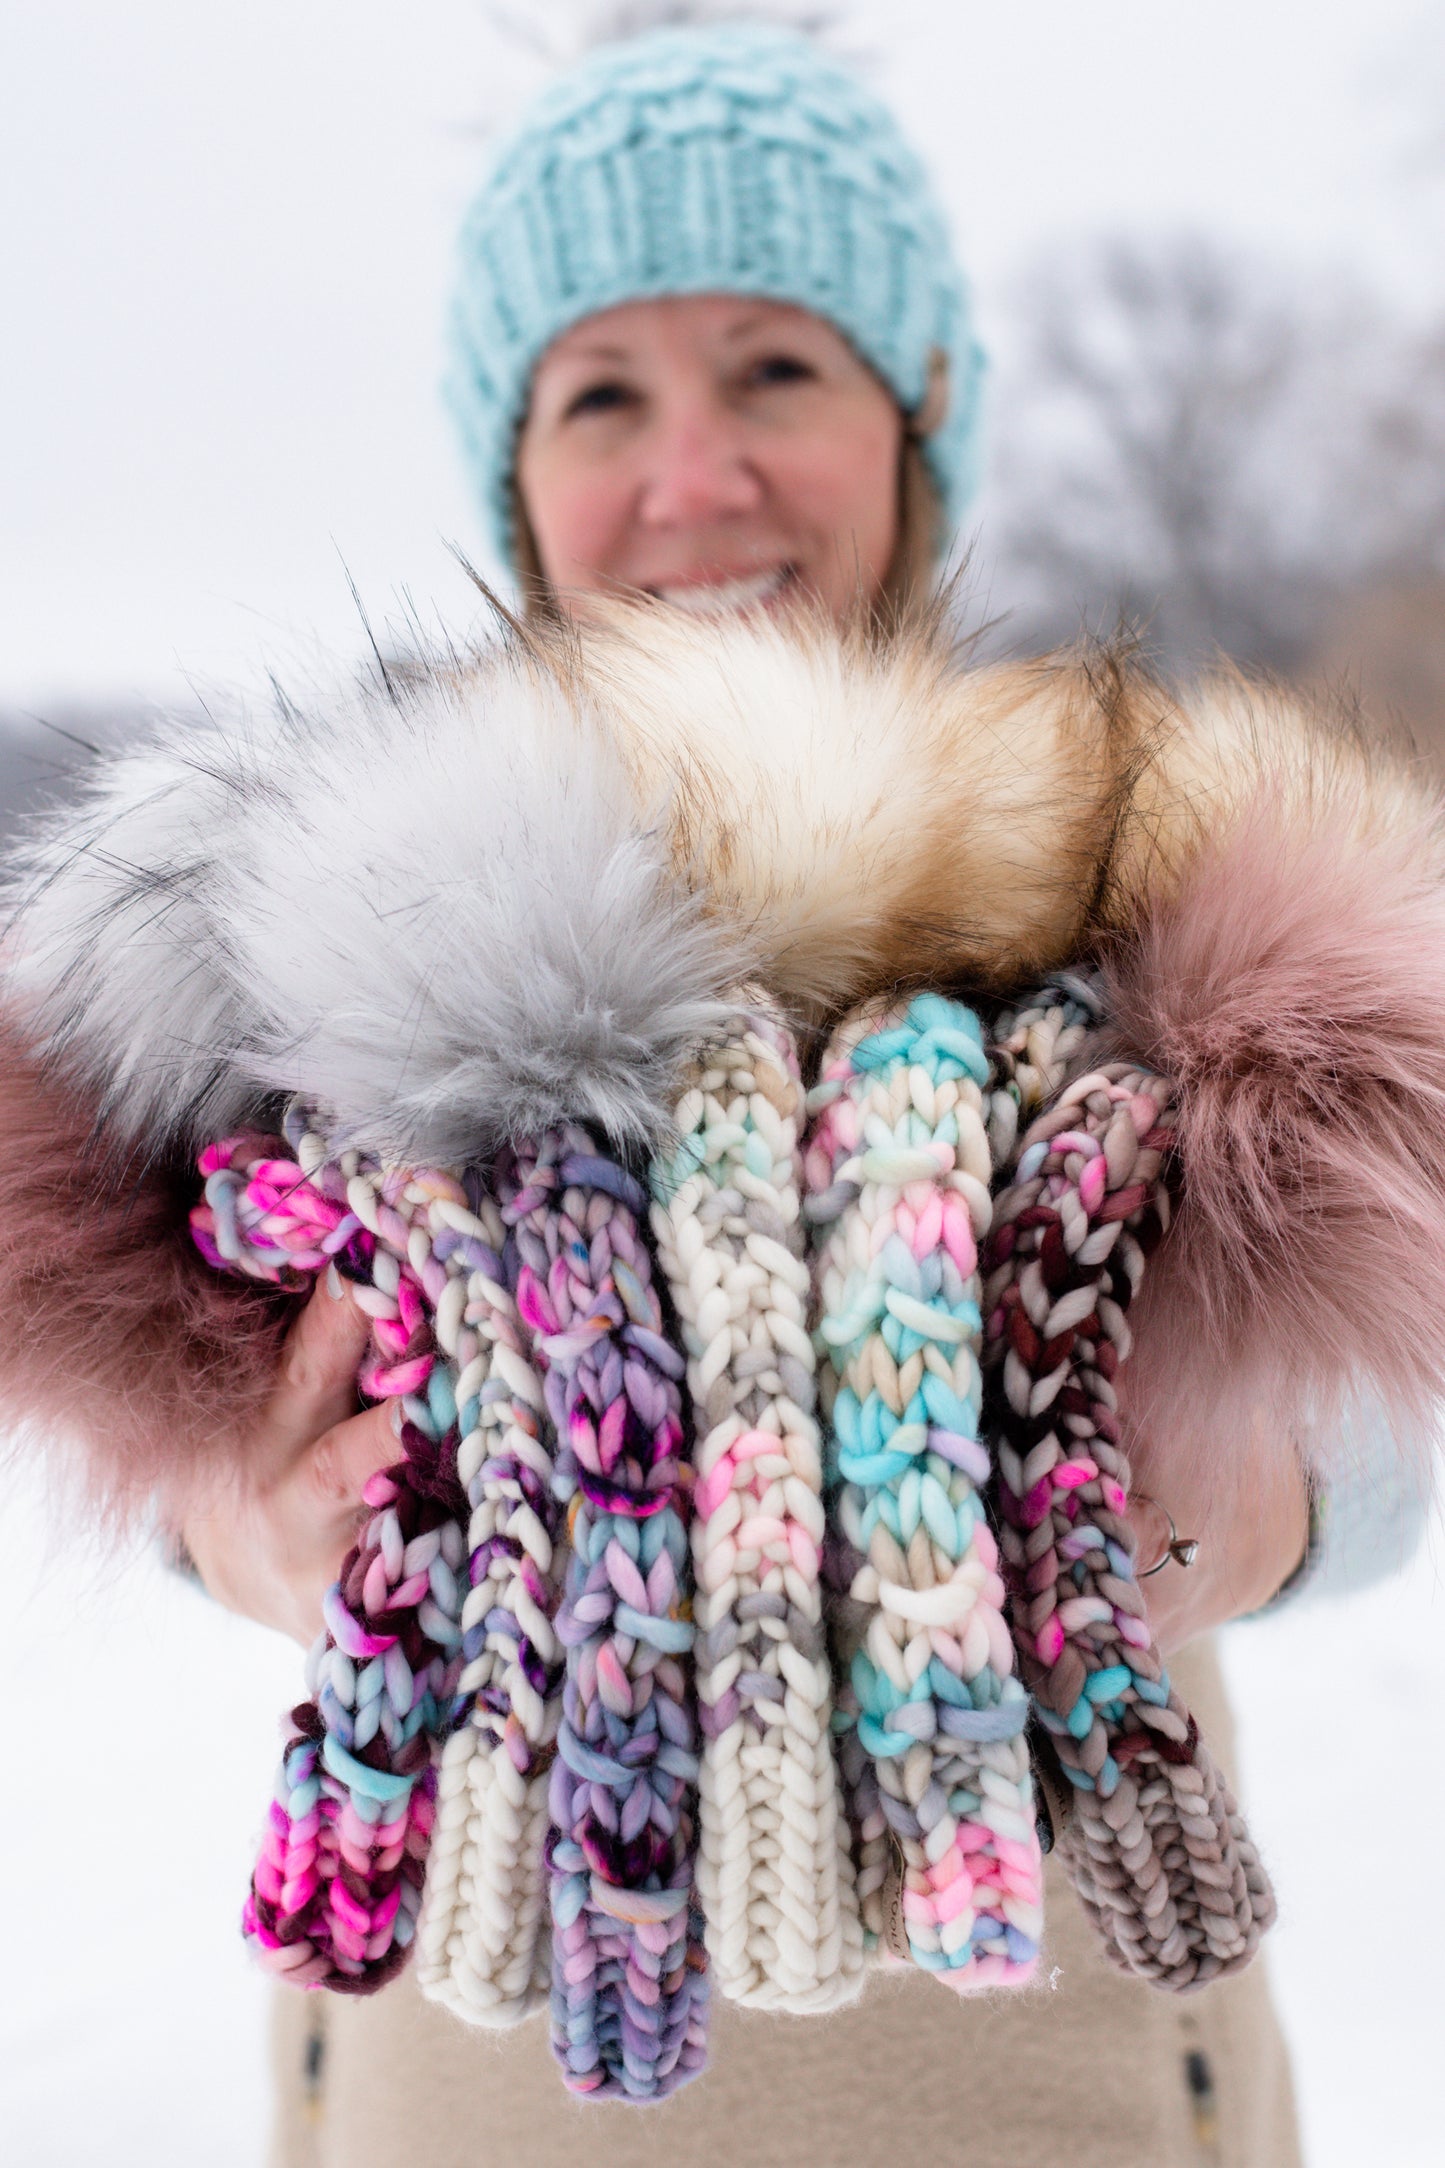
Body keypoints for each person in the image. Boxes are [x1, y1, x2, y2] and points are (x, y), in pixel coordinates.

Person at [174, 20, 1422, 2167]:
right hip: (474, 2082)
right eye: (604, 395)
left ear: (915, 419)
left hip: (1052, 2075)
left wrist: (1258, 1507)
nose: (696, 474)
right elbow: (157, 1369)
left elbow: (1401, 1365)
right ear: (512, 468)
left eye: (774, 370)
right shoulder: (318, 915)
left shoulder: (1146, 866)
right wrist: (234, 1513)